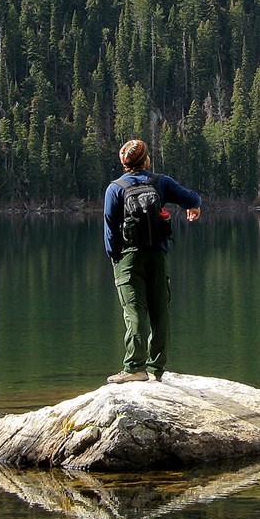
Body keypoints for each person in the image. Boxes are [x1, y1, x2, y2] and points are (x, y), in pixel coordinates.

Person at [102, 138, 202, 383]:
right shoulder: (160, 182)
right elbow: (190, 198)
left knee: (134, 311)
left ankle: (134, 367)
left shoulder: (115, 188)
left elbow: (110, 229)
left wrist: (115, 257)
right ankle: (156, 369)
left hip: (128, 258)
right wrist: (195, 206)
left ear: (125, 164)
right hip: (157, 255)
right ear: (145, 160)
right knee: (160, 311)